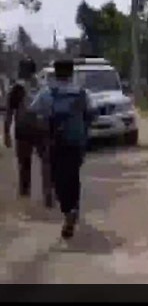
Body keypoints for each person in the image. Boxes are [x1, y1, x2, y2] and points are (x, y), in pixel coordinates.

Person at [29, 59, 93, 239]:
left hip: (55, 143)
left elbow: (34, 112)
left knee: (58, 179)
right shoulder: (81, 93)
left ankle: (68, 211)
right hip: (76, 142)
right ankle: (72, 208)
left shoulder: (47, 93)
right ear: (71, 73)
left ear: (55, 73)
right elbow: (90, 114)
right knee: (73, 176)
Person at [3, 58, 54, 208]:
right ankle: (48, 192)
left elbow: (9, 112)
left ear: (21, 70)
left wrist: (6, 133)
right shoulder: (42, 86)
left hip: (23, 129)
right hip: (41, 128)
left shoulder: (16, 88)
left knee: (24, 164)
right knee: (46, 161)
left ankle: (25, 194)